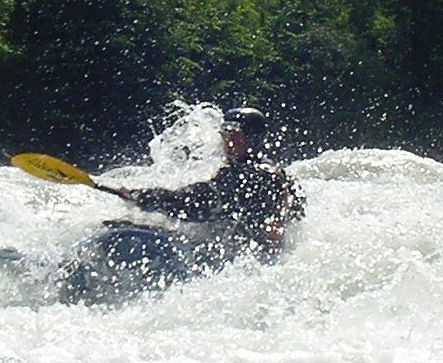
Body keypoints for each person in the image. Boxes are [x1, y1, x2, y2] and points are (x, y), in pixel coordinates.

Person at [99, 106, 306, 260]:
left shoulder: (252, 176)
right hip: (251, 253)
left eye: (235, 137)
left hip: (247, 260)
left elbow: (195, 203)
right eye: (225, 136)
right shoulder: (275, 172)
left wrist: (142, 197)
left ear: (252, 140)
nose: (228, 143)